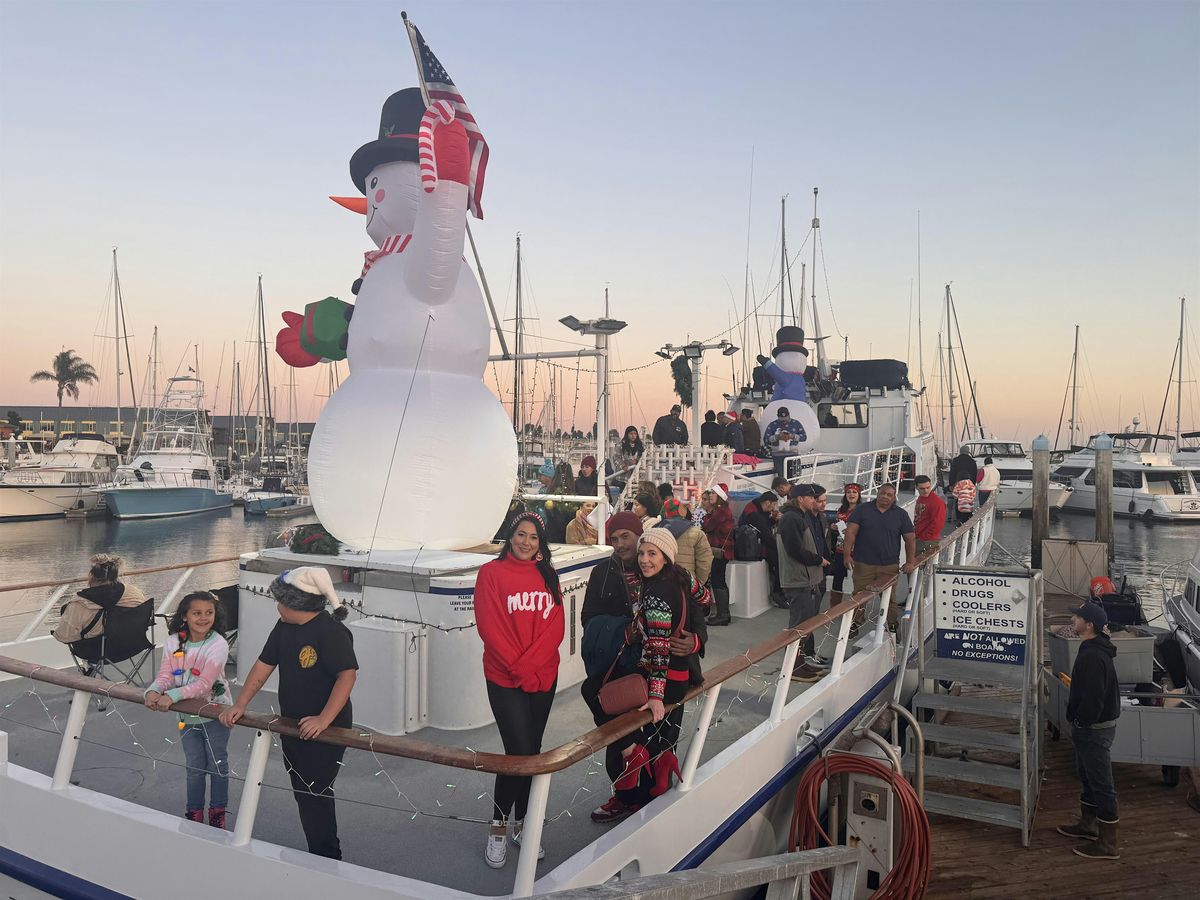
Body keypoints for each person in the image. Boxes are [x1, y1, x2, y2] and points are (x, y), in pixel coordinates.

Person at [220, 567, 357, 860]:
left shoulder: (331, 632)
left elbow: (347, 676)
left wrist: (324, 720)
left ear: (298, 604)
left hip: (327, 726)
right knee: (302, 787)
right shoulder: (283, 627)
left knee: (315, 790)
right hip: (291, 723)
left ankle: (327, 856)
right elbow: (263, 665)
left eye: (280, 601)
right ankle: (317, 849)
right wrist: (240, 703)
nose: (277, 606)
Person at [581, 517, 707, 823]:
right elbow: (588, 619)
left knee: (661, 732)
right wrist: (628, 630)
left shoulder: (664, 573)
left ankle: (652, 802)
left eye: (627, 536)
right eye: (614, 538)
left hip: (664, 671)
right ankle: (625, 798)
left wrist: (696, 641)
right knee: (620, 732)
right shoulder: (603, 573)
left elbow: (697, 608)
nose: (622, 544)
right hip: (627, 667)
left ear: (642, 537)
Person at [472, 512, 565, 868]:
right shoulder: (490, 574)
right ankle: (497, 827)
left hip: (543, 675)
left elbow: (555, 628)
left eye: (534, 538)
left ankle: (523, 824)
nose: (526, 542)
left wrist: (531, 668)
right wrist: (521, 669)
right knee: (518, 754)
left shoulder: (548, 575)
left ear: (541, 544)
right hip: (504, 677)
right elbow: (490, 627)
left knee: (534, 751)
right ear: (510, 536)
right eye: (520, 534)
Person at [144, 590, 233, 829]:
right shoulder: (174, 642)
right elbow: (166, 674)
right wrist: (153, 690)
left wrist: (170, 696)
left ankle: (217, 813)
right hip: (186, 715)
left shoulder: (218, 644)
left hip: (216, 713)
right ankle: (194, 812)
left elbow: (205, 683)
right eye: (197, 613)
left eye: (209, 613)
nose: (203, 618)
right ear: (185, 616)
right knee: (194, 766)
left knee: (217, 765)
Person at [1057, 601, 1121, 860]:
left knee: (1102, 784)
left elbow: (1094, 697)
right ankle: (1088, 824)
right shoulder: (1092, 648)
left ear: (1089, 624)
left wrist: (1082, 721)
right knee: (1088, 777)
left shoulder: (1094, 656)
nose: (1074, 620)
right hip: (1089, 728)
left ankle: (1108, 843)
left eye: (1078, 617)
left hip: (1094, 730)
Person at [777, 486, 830, 683]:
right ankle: (793, 667)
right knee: (799, 624)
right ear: (800, 499)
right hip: (798, 579)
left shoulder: (797, 517)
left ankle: (798, 663)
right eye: (810, 497)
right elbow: (794, 550)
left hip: (803, 578)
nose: (813, 500)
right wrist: (818, 560)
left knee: (804, 623)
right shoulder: (792, 519)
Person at [842, 484, 916, 627]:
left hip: (889, 565)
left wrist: (910, 562)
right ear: (877, 493)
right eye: (882, 493)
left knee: (890, 599)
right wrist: (847, 555)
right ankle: (856, 623)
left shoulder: (901, 514)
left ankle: (891, 624)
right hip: (863, 563)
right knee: (858, 597)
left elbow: (910, 539)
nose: (884, 496)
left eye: (889, 495)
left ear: (894, 497)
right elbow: (850, 533)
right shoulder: (862, 510)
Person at [54, 554, 148, 645]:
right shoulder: (134, 593)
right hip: (131, 646)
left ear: (91, 576)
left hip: (95, 652)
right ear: (115, 575)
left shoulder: (79, 604)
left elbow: (64, 637)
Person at [657, 498, 713, 588]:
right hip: (687, 583)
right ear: (682, 511)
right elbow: (705, 561)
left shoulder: (656, 532)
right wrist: (697, 583)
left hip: (661, 583)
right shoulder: (697, 533)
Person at [740, 491, 784, 607]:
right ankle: (777, 592)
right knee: (780, 559)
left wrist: (773, 519)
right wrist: (782, 549)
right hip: (753, 548)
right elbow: (766, 536)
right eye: (774, 504)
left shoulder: (755, 508)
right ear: (767, 503)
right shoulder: (754, 514)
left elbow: (763, 527)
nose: (774, 508)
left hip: (753, 543)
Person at [700, 483, 735, 626]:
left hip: (720, 550)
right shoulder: (723, 511)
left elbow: (707, 526)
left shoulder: (720, 512)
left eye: (713, 494)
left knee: (717, 580)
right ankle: (723, 613)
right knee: (719, 580)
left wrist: (707, 514)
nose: (710, 496)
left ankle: (723, 614)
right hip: (723, 550)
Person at [826, 483, 862, 594]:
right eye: (848, 492)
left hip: (857, 550)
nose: (851, 494)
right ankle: (835, 606)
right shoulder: (841, 510)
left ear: (859, 495)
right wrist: (833, 527)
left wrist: (853, 531)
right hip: (840, 549)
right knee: (837, 577)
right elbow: (837, 525)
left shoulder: (862, 510)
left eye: (854, 492)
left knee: (859, 579)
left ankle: (858, 606)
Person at [763, 407, 806, 477]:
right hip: (778, 456)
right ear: (777, 416)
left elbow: (804, 437)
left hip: (793, 455)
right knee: (782, 478)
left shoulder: (796, 423)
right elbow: (766, 439)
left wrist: (792, 436)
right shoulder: (772, 425)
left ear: (789, 415)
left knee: (795, 476)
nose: (784, 421)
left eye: (786, 418)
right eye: (782, 419)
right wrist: (777, 437)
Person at [914, 475, 947, 557]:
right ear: (916, 487)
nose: (926, 491)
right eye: (922, 488)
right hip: (919, 538)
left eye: (928, 487)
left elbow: (938, 523)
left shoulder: (937, 502)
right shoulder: (921, 498)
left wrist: (924, 537)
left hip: (928, 540)